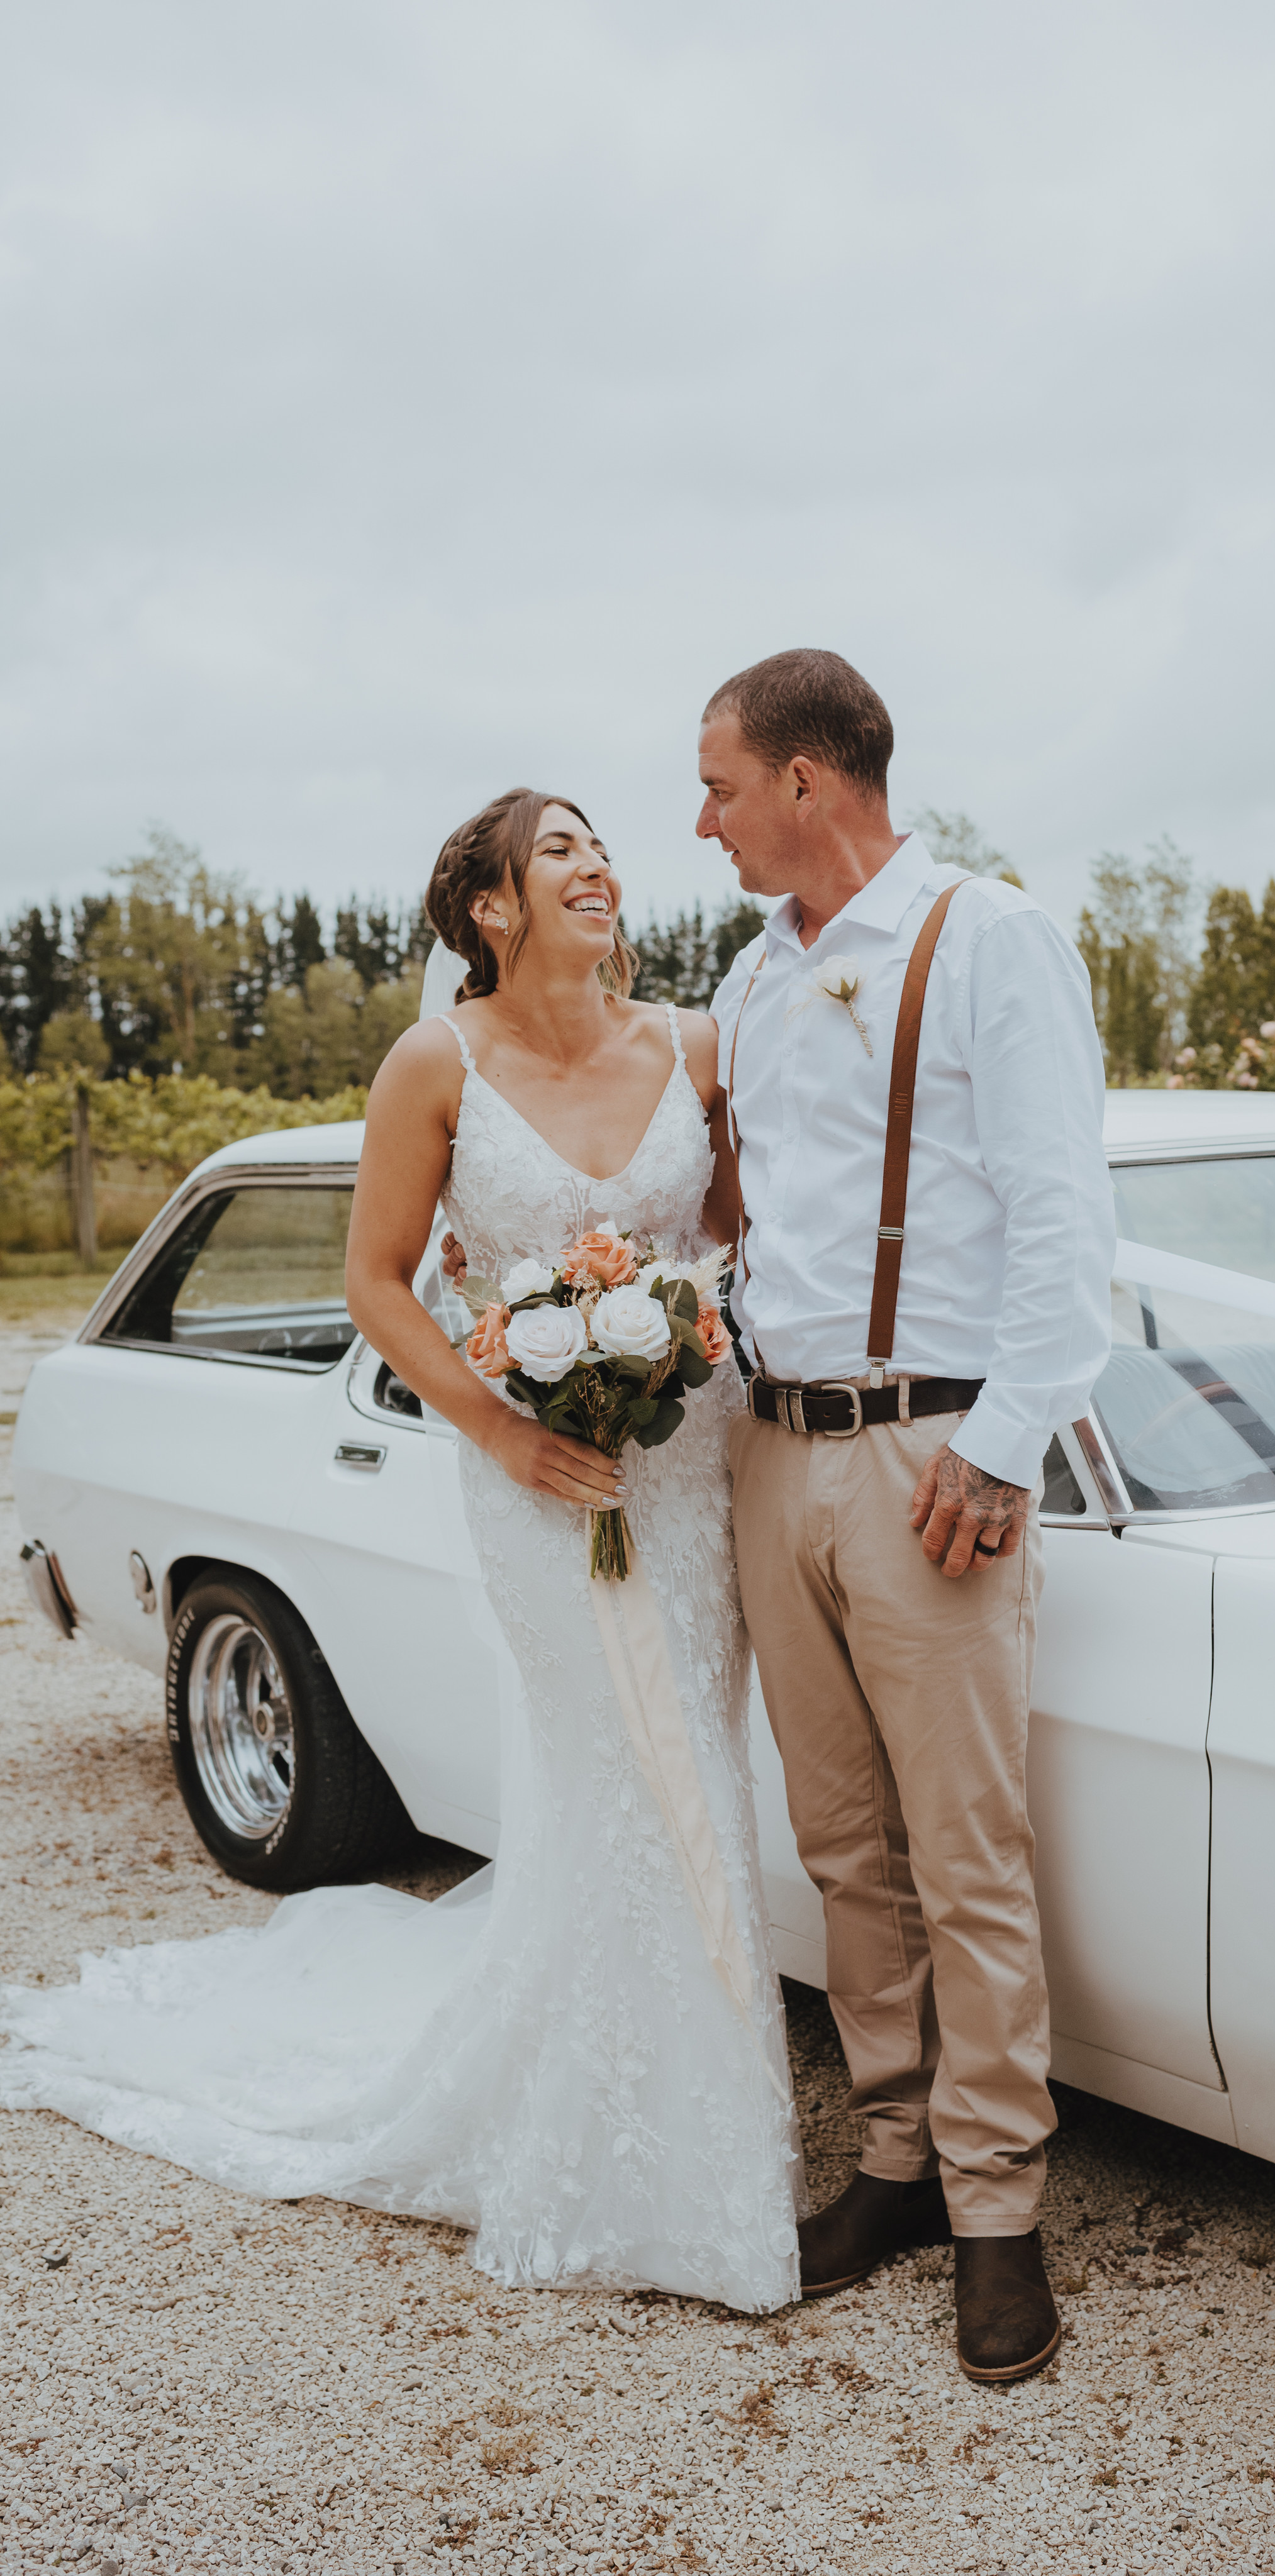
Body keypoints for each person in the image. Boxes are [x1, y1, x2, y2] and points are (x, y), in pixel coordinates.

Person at [0, 788, 803, 2311]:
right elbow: (377, 1283)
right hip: (531, 1472)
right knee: (618, 1776)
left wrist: (678, 1334)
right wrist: (502, 1428)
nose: (595, 866)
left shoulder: (695, 1043)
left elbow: (737, 1251)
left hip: (688, 1467)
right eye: (556, 850)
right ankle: (654, 2159)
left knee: (692, 1749)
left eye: (597, 847)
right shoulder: (435, 1060)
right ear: (491, 908)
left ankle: (694, 2128)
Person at [700, 649, 1114, 2382]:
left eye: (717, 783)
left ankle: (997, 2207)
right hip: (767, 1449)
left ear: (808, 782)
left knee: (964, 1849)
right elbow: (742, 1220)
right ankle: (889, 2158)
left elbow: (1057, 1217)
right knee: (840, 1842)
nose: (701, 817)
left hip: (929, 1457)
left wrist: (1005, 1439)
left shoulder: (983, 938)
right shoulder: (740, 978)